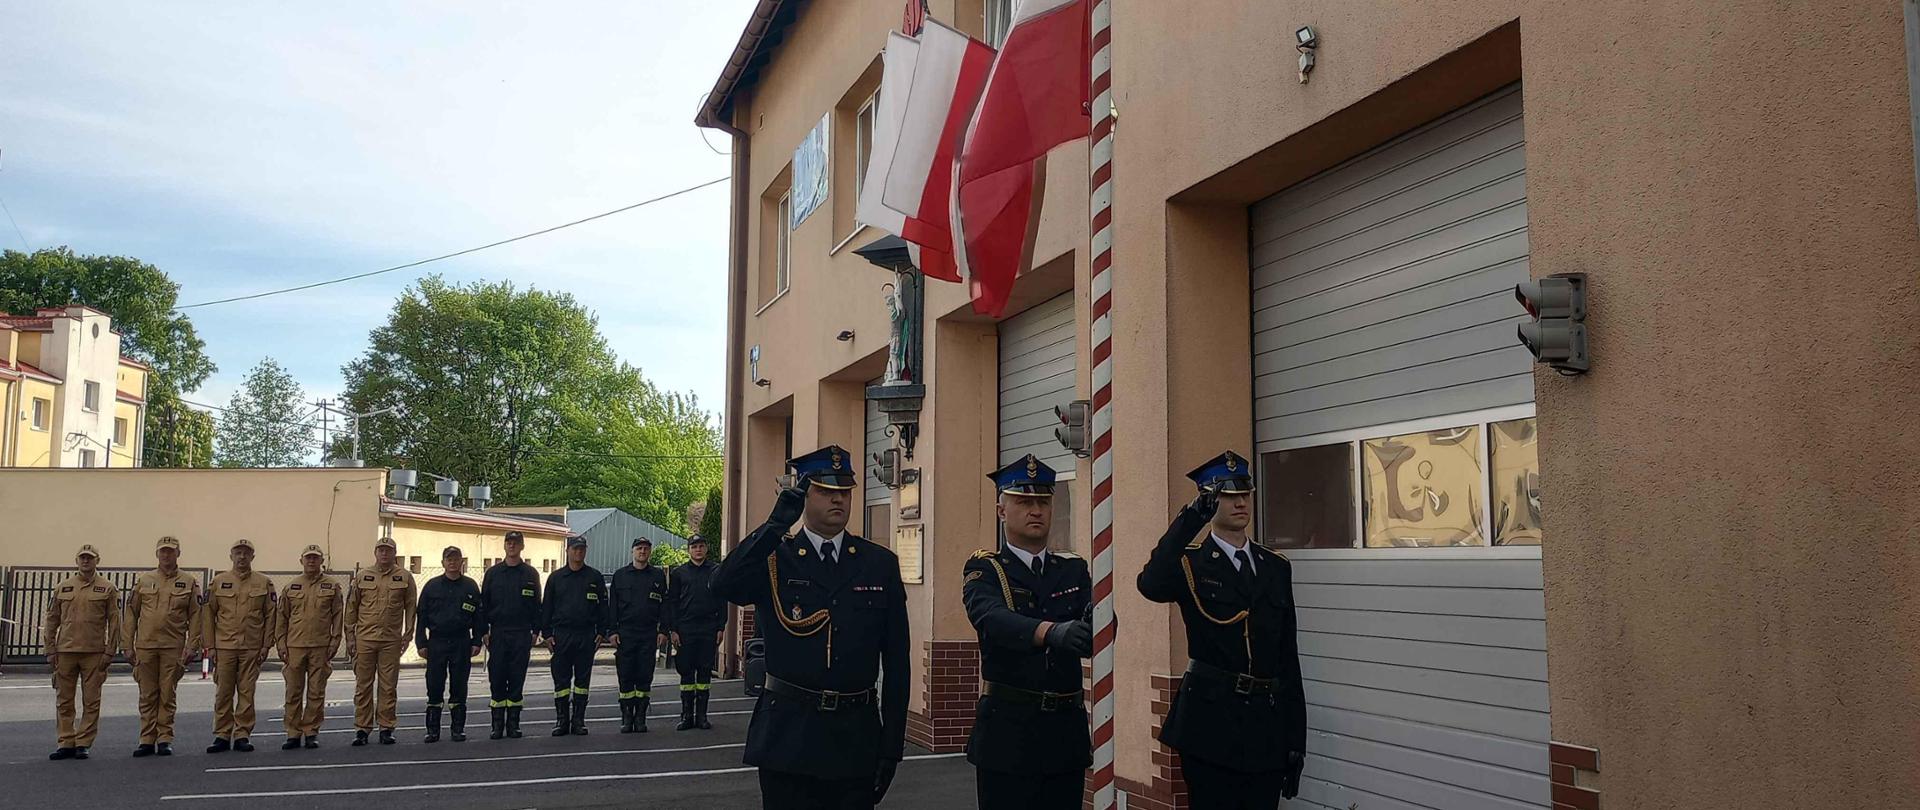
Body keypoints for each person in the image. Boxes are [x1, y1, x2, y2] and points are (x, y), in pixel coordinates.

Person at [713, 445, 909, 810]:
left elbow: (898, 662)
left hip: (855, 736)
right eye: (825, 491)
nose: (838, 499)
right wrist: (773, 526)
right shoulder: (775, 557)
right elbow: (722, 586)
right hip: (788, 736)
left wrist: (891, 746)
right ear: (803, 494)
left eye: (844, 492)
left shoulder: (878, 563)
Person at [1137, 451, 1307, 808]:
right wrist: (1189, 520)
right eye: (1228, 496)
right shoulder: (1190, 562)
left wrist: (1295, 739)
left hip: (1266, 725)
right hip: (1210, 724)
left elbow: (1287, 658)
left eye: (1245, 494)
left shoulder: (1275, 567)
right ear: (1210, 500)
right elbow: (1150, 585)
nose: (1241, 502)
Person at [962, 455, 1094, 808]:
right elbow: (990, 617)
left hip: (1065, 734)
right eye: (1024, 501)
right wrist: (1050, 632)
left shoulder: (1073, 570)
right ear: (1002, 511)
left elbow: (1093, 628)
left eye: (1043, 502)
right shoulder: (987, 569)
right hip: (1008, 735)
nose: (1036, 510)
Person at [125, 535, 200, 758]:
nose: (166, 555)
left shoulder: (188, 582)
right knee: (147, 694)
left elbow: (196, 615)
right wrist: (127, 644)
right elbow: (131, 614)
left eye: (171, 551)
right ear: (157, 554)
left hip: (172, 647)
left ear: (179, 553)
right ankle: (147, 738)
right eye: (163, 551)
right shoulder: (144, 581)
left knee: (167, 694)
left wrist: (192, 645)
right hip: (146, 646)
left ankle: (165, 738)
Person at [45, 544, 120, 761]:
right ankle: (65, 741)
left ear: (98, 560)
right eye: (82, 558)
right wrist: (50, 649)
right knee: (64, 699)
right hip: (65, 651)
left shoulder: (108, 588)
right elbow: (51, 620)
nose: (86, 561)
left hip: (94, 652)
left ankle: (83, 743)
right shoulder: (63, 587)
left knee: (91, 700)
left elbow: (115, 622)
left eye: (90, 558)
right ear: (76, 561)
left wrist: (110, 651)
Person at [202, 538, 276, 754]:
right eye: (238, 553)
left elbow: (271, 615)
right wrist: (210, 646)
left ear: (252, 556)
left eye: (246, 553)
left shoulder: (264, 583)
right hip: (224, 646)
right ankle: (222, 735)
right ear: (231, 556)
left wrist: (265, 645)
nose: (242, 557)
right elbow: (208, 614)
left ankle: (242, 734)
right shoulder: (218, 582)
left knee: (246, 691)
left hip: (251, 646)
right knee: (223, 692)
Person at [347, 536, 416, 746]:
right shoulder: (362, 576)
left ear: (394, 553)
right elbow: (351, 608)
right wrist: (350, 637)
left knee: (388, 686)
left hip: (390, 640)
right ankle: (362, 728)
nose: (384, 554)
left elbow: (411, 607)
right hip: (365, 639)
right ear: (375, 553)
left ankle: (386, 727)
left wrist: (408, 635)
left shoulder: (404, 577)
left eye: (388, 550)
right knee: (363, 686)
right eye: (381, 550)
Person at [274, 545, 343, 751]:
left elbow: (338, 616)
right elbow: (282, 617)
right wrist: (280, 643)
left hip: (320, 646)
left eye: (315, 558)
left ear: (322, 561)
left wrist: (335, 641)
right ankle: (293, 733)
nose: (311, 562)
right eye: (308, 558)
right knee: (293, 691)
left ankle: (311, 731)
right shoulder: (291, 587)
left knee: (316, 691)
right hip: (294, 646)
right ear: (301, 560)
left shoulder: (332, 586)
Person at [540, 535, 608, 736]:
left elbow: (604, 607)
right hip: (561, 635)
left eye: (582, 549)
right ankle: (562, 720)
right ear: (568, 551)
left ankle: (578, 720)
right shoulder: (556, 578)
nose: (578, 552)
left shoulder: (594, 577)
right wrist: (547, 634)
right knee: (561, 681)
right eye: (575, 549)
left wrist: (602, 632)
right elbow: (547, 608)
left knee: (582, 681)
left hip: (586, 635)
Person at [417, 546, 484, 743]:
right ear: (443, 562)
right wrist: (421, 642)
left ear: (462, 561)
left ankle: (458, 729)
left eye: (456, 559)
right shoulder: (432, 586)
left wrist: (477, 640)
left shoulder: (470, 586)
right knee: (434, 686)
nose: (452, 563)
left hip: (461, 641)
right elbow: (421, 616)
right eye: (449, 559)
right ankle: (433, 730)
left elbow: (479, 617)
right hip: (436, 641)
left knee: (459, 686)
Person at [481, 530, 542, 739]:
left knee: (517, 679)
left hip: (521, 633)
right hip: (498, 633)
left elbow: (537, 605)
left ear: (522, 546)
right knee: (497, 678)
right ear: (504, 546)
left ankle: (513, 724)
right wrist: (483, 632)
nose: (512, 546)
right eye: (509, 542)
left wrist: (536, 631)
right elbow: (483, 605)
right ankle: (497, 725)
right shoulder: (493, 573)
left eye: (516, 543)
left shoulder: (530, 574)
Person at [666, 534, 726, 731]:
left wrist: (721, 627)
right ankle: (686, 716)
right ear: (688, 550)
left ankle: (702, 716)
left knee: (704, 673)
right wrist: (673, 629)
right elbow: (672, 603)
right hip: (685, 630)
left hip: (708, 629)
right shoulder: (679, 573)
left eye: (701, 546)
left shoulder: (716, 570)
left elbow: (721, 600)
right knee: (686, 673)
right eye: (694, 546)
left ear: (706, 549)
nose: (698, 549)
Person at [610, 537, 669, 733]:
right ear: (632, 551)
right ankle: (627, 717)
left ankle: (641, 717)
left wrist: (663, 630)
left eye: (646, 549)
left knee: (645, 675)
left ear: (649, 552)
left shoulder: (658, 576)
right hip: (626, 633)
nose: (642, 552)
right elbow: (612, 608)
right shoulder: (620, 576)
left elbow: (664, 606)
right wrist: (612, 631)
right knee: (626, 675)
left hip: (648, 633)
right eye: (639, 548)